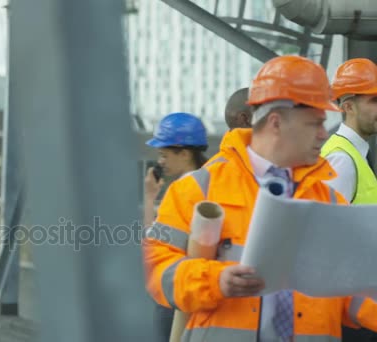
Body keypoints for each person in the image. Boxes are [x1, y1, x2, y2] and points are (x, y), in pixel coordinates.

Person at [143, 55, 377, 341]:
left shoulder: (327, 198)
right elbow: (155, 265)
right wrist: (215, 280)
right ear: (276, 122)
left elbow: (350, 289)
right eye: (313, 124)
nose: (321, 135)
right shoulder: (199, 188)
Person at [321, 58, 377, 341]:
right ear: (348, 107)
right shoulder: (341, 159)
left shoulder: (355, 154)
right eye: (374, 100)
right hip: (351, 303)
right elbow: (323, 235)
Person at [142, 112, 208, 341]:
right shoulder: (214, 180)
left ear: (184, 152)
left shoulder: (183, 189)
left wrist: (149, 197)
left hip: (175, 292)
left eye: (164, 155)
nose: (160, 161)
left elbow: (154, 240)